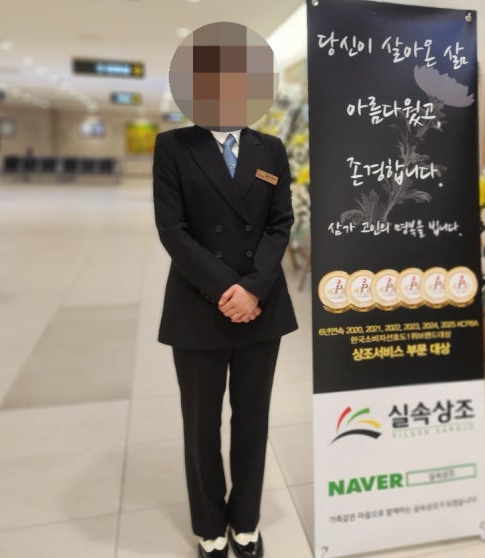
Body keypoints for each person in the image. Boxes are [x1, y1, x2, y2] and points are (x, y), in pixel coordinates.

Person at [153, 23, 297, 558]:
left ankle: (247, 522)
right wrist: (225, 290)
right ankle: (210, 525)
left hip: (262, 307)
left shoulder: (271, 149)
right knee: (201, 424)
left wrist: (253, 288)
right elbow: (173, 230)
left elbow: (280, 224)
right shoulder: (174, 147)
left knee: (253, 421)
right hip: (198, 304)